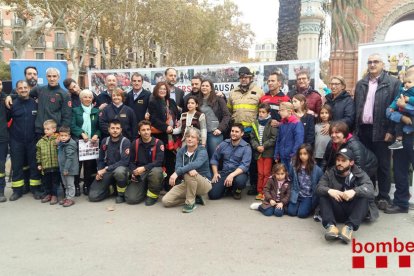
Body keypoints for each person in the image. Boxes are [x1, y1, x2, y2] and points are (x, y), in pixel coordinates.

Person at [354, 53, 401, 210]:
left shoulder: (393, 83)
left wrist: (391, 130)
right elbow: (357, 108)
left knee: (383, 165)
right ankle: (369, 194)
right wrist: (355, 130)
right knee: (366, 164)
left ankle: (383, 197)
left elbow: (396, 109)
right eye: (369, 62)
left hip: (382, 131)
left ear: (383, 65)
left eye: (375, 62)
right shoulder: (361, 84)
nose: (372, 64)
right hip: (363, 130)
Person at [316, 148, 378, 244]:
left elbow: (370, 189)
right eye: (338, 160)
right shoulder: (330, 172)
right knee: (323, 195)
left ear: (351, 162)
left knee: (364, 197)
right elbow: (319, 188)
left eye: (343, 160)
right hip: (337, 209)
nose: (339, 163)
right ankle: (331, 227)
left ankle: (349, 228)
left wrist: (355, 191)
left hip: (353, 211)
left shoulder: (359, 173)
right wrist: (329, 190)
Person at [227, 66, 264, 196]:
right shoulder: (233, 92)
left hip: (251, 132)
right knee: (235, 158)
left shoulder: (259, 91)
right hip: (236, 133)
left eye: (246, 77)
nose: (244, 79)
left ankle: (253, 185)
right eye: (242, 77)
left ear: (251, 78)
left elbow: (263, 111)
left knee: (253, 160)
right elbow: (229, 110)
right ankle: (235, 185)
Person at [162, 127, 212, 213]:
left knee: (190, 173)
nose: (189, 139)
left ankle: (190, 203)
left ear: (198, 140)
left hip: (204, 183)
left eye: (193, 137)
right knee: (166, 201)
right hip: (187, 183)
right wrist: (183, 171)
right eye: (188, 136)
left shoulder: (202, 150)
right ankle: (196, 198)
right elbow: (178, 167)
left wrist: (178, 173)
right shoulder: (181, 151)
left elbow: (196, 164)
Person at [8, 80, 41, 201]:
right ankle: (17, 190)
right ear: (17, 90)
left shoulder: (35, 103)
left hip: (32, 140)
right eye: (20, 88)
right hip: (16, 140)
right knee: (17, 166)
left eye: (25, 87)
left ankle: (35, 189)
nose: (23, 90)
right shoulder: (12, 104)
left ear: (29, 89)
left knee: (34, 165)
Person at [385, 89, 414, 214]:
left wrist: (405, 106)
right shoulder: (403, 93)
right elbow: (389, 112)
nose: (407, 84)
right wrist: (401, 117)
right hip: (402, 138)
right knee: (399, 171)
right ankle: (401, 204)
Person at [89, 119, 131, 203]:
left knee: (119, 171)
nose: (115, 130)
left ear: (121, 130)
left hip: (121, 171)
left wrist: (105, 169)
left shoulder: (125, 142)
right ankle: (110, 189)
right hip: (107, 171)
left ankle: (121, 194)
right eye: (112, 128)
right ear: (108, 129)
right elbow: (100, 159)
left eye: (117, 128)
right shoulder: (105, 141)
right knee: (93, 197)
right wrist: (99, 171)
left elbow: (124, 162)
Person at [148, 81, 180, 187]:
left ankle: (169, 184)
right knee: (160, 160)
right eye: (160, 89)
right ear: (156, 90)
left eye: (164, 89)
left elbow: (177, 114)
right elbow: (154, 119)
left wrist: (178, 121)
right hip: (160, 135)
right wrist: (166, 127)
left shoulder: (171, 101)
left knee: (171, 160)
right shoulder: (153, 102)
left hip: (172, 136)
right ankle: (159, 183)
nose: (162, 91)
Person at [208, 123, 252, 200]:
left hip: (238, 174)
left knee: (240, 182)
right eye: (232, 131)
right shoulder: (224, 144)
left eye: (237, 131)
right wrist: (215, 173)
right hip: (225, 172)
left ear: (242, 134)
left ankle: (237, 191)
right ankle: (227, 188)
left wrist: (231, 175)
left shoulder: (246, 147)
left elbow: (244, 166)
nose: (234, 133)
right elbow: (214, 159)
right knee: (212, 195)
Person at [127, 120, 164, 206]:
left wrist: (144, 168)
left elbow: (159, 162)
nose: (146, 132)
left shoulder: (158, 143)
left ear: (151, 130)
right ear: (139, 132)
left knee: (156, 172)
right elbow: (131, 162)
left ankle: (152, 196)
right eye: (143, 130)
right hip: (140, 173)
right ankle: (144, 188)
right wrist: (133, 171)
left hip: (152, 170)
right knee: (131, 199)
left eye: (148, 129)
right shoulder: (134, 143)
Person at [71, 89, 101, 195]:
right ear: (80, 99)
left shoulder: (96, 111)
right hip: (79, 141)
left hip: (91, 143)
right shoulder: (75, 110)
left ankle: (87, 185)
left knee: (89, 166)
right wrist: (81, 133)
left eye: (89, 97)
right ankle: (76, 186)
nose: (88, 99)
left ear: (92, 99)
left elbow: (100, 127)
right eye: (85, 97)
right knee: (77, 165)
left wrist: (96, 134)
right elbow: (72, 125)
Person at [250, 103, 277, 200]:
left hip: (268, 152)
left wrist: (264, 146)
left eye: (263, 112)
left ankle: (266, 192)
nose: (261, 114)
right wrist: (257, 147)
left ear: (268, 113)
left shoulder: (272, 123)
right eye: (260, 112)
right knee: (260, 173)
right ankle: (260, 191)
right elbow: (252, 138)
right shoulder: (255, 123)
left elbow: (274, 138)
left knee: (267, 173)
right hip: (258, 153)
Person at [288, 144, 323, 218]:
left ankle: (307, 206)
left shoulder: (316, 169)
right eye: (300, 154)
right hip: (297, 194)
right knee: (291, 212)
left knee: (302, 214)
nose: (302, 156)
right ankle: (297, 205)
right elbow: (290, 178)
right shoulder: (294, 166)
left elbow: (320, 183)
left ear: (310, 154)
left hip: (308, 196)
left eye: (305, 154)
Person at [199, 79, 231, 159]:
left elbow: (227, 115)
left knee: (214, 156)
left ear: (211, 88)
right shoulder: (197, 100)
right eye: (203, 85)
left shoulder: (218, 99)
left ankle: (215, 172)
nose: (204, 87)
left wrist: (220, 128)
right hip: (201, 133)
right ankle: (206, 172)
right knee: (202, 156)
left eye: (207, 86)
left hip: (214, 133)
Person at [386, 70, 414, 150]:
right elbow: (396, 100)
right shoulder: (402, 90)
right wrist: (392, 107)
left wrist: (408, 100)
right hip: (402, 113)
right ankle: (399, 140)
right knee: (398, 125)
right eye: (405, 82)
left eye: (409, 82)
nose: (406, 84)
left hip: (411, 114)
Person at [274, 102, 304, 173]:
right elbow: (278, 140)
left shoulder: (297, 123)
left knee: (292, 177)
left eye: (281, 110)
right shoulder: (282, 124)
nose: (279, 112)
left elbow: (299, 142)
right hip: (282, 156)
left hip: (291, 157)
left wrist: (294, 155)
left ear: (290, 111)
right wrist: (276, 154)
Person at [36, 120, 60, 205]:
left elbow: (61, 150)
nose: (45, 130)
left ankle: (54, 195)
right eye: (45, 129)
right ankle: (48, 194)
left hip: (55, 165)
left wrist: (58, 144)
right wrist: (39, 163)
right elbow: (38, 154)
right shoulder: (40, 142)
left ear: (54, 129)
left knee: (55, 182)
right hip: (45, 166)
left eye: (48, 129)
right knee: (46, 182)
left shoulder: (57, 139)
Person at [57, 127, 79, 207]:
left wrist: (66, 169)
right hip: (63, 168)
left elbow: (70, 158)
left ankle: (71, 198)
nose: (63, 137)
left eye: (65, 136)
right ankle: (67, 197)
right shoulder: (62, 143)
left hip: (69, 169)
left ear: (69, 136)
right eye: (61, 135)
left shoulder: (70, 145)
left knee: (70, 184)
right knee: (65, 184)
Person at [0, 80, 8, 202]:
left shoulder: (5, 99)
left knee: (1, 165)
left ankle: (1, 191)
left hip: (2, 138)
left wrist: (8, 96)